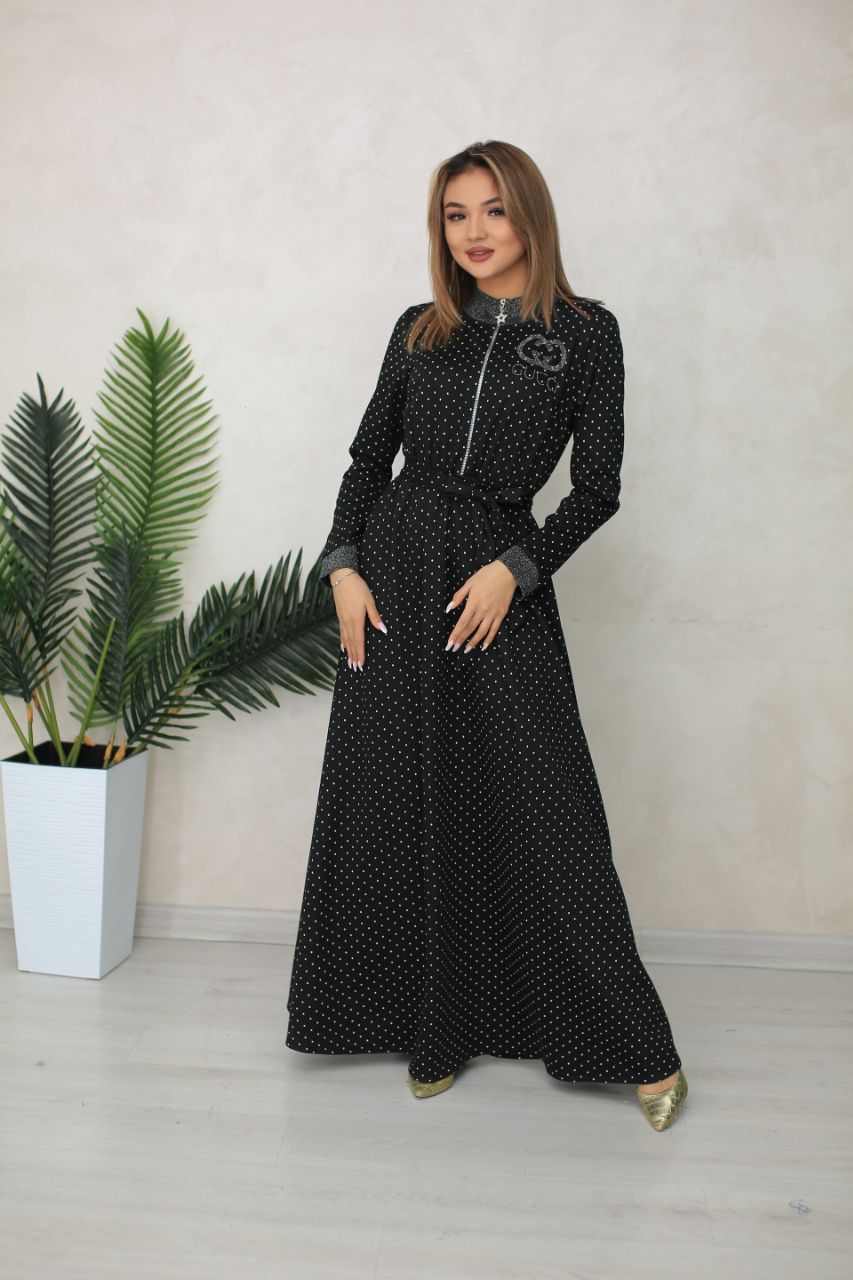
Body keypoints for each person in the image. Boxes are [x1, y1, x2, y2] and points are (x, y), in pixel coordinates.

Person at [285, 139, 688, 1132]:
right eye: (455, 214)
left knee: (547, 807)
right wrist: (341, 566)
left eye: (493, 210)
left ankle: (639, 1050)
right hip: (392, 577)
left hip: (496, 579)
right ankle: (435, 1026)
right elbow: (368, 458)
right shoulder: (419, 329)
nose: (473, 232)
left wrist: (519, 567)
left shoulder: (585, 333)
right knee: (399, 796)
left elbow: (596, 488)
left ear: (529, 215)